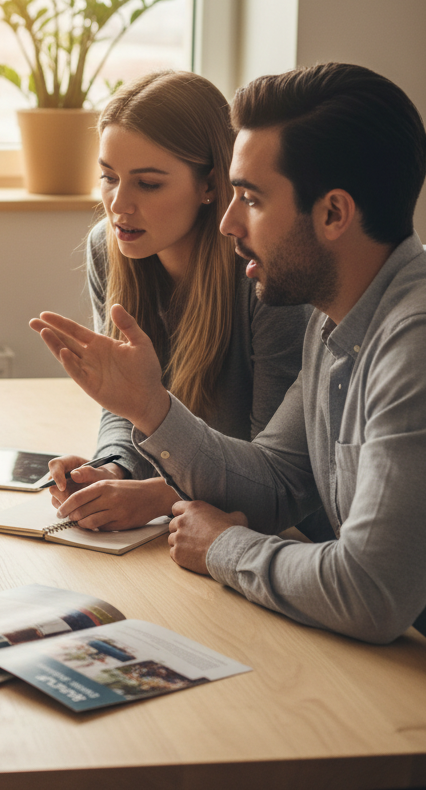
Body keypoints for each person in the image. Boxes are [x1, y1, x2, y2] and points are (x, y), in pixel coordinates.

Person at [31, 62, 426, 655]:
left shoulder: (424, 338)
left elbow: (372, 593)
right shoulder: (338, 314)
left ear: (333, 214)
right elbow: (278, 480)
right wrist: (148, 408)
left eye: (249, 199)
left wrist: (223, 547)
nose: (227, 221)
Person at [44, 71, 318, 537]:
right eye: (109, 178)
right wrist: (112, 469)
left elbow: (273, 471)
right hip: (192, 519)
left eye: (148, 184)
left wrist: (157, 494)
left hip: (291, 534)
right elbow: (125, 403)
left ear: (210, 184)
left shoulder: (263, 275)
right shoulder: (106, 249)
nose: (118, 206)